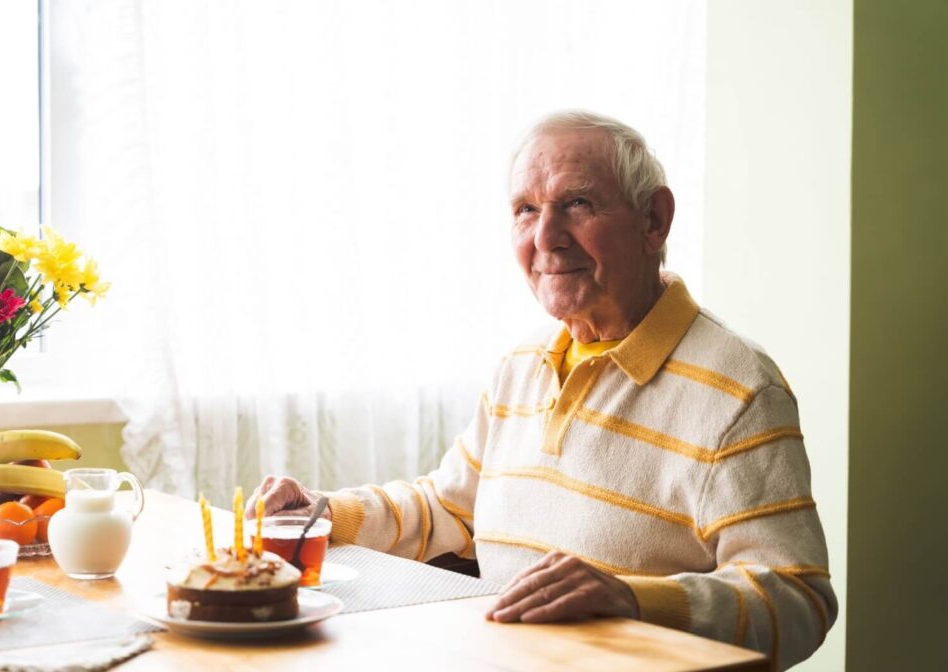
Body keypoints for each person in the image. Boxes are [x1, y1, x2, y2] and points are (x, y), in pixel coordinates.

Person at [247, 111, 836, 670]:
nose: (547, 236)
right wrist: (323, 514)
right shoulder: (523, 363)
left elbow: (797, 600)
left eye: (577, 203)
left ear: (653, 221)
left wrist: (632, 602)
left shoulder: (738, 388)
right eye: (526, 210)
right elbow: (448, 506)